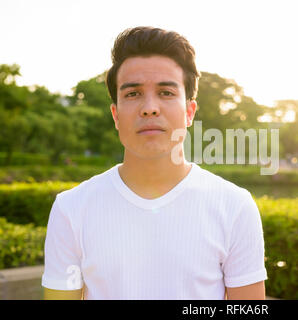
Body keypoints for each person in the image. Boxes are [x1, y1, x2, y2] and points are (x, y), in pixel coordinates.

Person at [42, 26, 268, 300]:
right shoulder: (71, 209)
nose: (150, 107)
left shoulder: (235, 207)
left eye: (166, 93)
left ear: (189, 111)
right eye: (133, 94)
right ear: (115, 115)